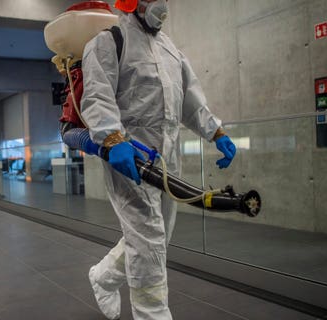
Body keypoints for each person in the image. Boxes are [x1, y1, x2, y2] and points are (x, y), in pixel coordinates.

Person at [81, 0, 237, 319]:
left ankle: (103, 276)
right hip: (130, 155)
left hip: (167, 155)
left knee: (157, 235)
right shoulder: (109, 41)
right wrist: (113, 138)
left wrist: (216, 132)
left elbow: (190, 101)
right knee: (150, 242)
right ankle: (152, 313)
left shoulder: (170, 50)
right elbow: (97, 96)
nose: (161, 3)